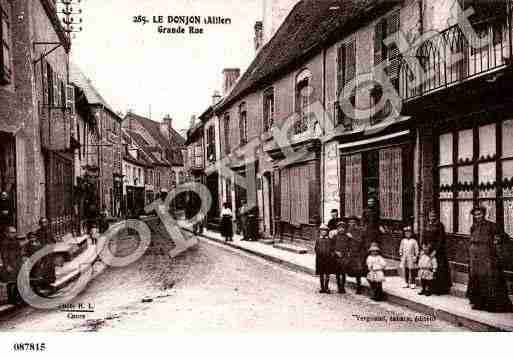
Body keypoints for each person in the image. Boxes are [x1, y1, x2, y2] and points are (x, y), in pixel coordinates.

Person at [466, 206, 513, 312]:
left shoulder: (492, 226)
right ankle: (478, 303)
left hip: (487, 256)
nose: (478, 216)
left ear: (484, 214)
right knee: (476, 278)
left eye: (480, 214)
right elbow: (471, 240)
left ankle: (491, 305)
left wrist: (497, 240)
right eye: (476, 214)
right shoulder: (473, 227)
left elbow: (503, 236)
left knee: (489, 279)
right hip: (475, 257)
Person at [423, 208, 452, 294]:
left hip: (438, 250)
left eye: (434, 215)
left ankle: (439, 289)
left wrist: (435, 250)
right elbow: (424, 236)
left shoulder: (439, 225)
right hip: (428, 249)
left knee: (438, 269)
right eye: (430, 215)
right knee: (428, 268)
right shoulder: (427, 224)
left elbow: (441, 239)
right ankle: (429, 287)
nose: (432, 217)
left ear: (436, 216)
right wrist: (424, 246)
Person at [0, 226, 23, 303]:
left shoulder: (16, 241)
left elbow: (19, 253)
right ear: (7, 233)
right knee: (10, 282)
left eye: (15, 232)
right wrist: (7, 266)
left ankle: (16, 297)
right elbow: (4, 256)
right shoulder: (4, 242)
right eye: (12, 232)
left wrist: (21, 262)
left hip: (17, 263)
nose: (14, 234)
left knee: (18, 280)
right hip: (10, 264)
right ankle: (11, 299)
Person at [345, 216, 366, 294]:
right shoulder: (347, 230)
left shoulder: (360, 230)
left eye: (353, 222)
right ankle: (341, 287)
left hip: (358, 253)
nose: (352, 224)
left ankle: (359, 287)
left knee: (358, 270)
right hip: (350, 252)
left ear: (356, 223)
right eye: (350, 222)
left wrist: (352, 237)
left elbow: (360, 241)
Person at [315, 224, 335, 293]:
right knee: (321, 274)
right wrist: (319, 253)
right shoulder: (318, 239)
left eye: (325, 231)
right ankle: (322, 287)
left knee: (327, 274)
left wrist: (331, 255)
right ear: (320, 231)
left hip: (327, 260)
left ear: (327, 232)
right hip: (320, 259)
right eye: (322, 231)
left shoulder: (329, 240)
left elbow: (332, 249)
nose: (323, 232)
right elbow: (316, 248)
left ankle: (326, 287)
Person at [332, 221, 349, 293]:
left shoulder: (347, 237)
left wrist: (348, 253)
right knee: (338, 273)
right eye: (339, 228)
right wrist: (336, 252)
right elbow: (331, 246)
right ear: (337, 229)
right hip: (337, 257)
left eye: (343, 228)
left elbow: (350, 246)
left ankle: (343, 286)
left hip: (344, 257)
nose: (341, 229)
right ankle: (339, 286)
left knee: (344, 273)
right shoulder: (335, 237)